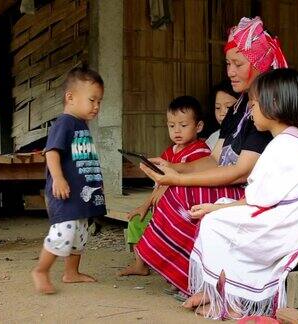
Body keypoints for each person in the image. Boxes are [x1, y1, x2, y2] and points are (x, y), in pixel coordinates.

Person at [124, 17, 288, 296]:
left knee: (181, 195)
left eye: (239, 64)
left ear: (259, 63)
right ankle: (191, 275)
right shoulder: (239, 109)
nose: (231, 71)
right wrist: (174, 167)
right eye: (228, 64)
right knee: (172, 192)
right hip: (233, 184)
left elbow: (241, 172)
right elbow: (215, 159)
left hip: (250, 194)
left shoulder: (265, 110)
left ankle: (199, 280)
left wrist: (179, 179)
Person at [183, 68, 298, 320]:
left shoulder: (284, 146)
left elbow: (256, 200)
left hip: (291, 225)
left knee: (215, 223)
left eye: (254, 104)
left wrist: (214, 210)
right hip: (292, 216)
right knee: (220, 211)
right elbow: (261, 198)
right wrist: (219, 206)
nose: (250, 111)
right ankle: (220, 292)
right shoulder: (289, 140)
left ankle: (231, 302)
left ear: (273, 104)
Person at [31, 66, 107, 294]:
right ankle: (41, 270)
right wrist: (58, 179)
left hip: (81, 193)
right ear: (70, 97)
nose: (96, 106)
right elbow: (52, 152)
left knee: (80, 234)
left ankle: (71, 273)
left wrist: (96, 182)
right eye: (92, 100)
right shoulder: (64, 123)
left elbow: (85, 159)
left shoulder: (81, 125)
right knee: (63, 232)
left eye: (99, 101)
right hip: (64, 193)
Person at [122, 95, 211, 270]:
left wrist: (169, 188)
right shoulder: (169, 152)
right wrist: (145, 205)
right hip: (160, 207)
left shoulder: (200, 152)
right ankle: (140, 265)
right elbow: (160, 183)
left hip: (181, 208)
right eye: (171, 126)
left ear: (199, 126)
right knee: (136, 222)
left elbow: (193, 181)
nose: (177, 131)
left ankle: (174, 266)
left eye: (183, 125)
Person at [205, 81, 240, 151]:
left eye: (228, 107)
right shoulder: (213, 138)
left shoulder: (249, 137)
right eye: (217, 107)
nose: (222, 113)